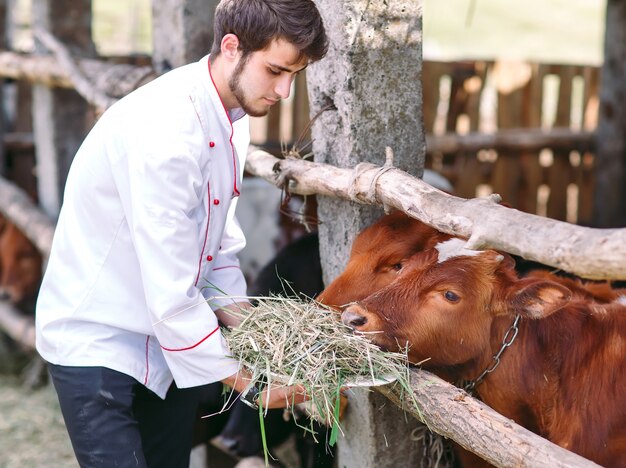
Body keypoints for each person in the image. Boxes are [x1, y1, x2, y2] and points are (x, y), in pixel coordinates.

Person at [34, 1, 328, 466]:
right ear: (231, 47)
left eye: (295, 74)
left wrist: (260, 333)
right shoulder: (166, 134)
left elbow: (216, 251)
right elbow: (172, 294)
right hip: (100, 343)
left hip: (167, 349)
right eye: (275, 70)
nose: (286, 90)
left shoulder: (229, 120)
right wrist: (252, 382)